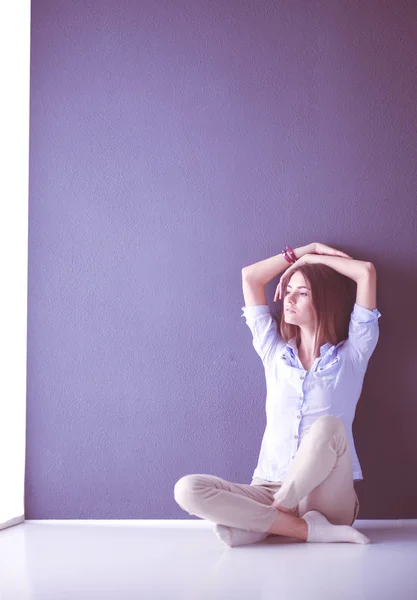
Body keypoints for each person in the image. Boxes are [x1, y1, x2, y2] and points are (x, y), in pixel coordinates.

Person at [174, 241, 381, 547]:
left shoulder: (351, 356)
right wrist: (298, 254)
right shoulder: (274, 353)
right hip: (268, 485)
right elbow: (250, 277)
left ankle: (268, 521)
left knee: (329, 426)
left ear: (325, 301)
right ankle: (304, 530)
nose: (289, 298)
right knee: (187, 489)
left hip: (326, 496)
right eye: (289, 289)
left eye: (303, 293)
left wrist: (311, 258)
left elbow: (365, 273)